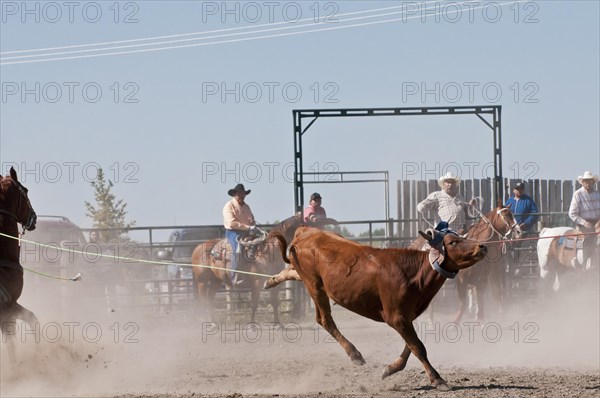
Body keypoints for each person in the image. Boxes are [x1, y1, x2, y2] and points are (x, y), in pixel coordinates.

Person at [223, 183, 256, 286]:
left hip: (247, 232)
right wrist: (248, 227)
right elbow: (231, 223)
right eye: (240, 194)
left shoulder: (247, 207)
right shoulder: (229, 205)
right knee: (237, 251)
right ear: (235, 194)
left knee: (260, 245)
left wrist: (252, 223)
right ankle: (234, 277)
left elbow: (252, 220)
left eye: (243, 194)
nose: (242, 196)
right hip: (233, 232)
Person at [568, 171, 600, 267]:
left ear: (593, 182)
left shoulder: (597, 194)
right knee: (590, 237)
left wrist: (598, 222)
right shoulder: (578, 194)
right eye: (586, 181)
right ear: (582, 182)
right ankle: (586, 264)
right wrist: (583, 222)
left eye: (590, 181)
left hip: (597, 222)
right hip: (585, 223)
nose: (588, 183)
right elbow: (572, 213)